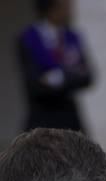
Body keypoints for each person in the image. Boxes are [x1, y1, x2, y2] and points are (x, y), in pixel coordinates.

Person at [17, 0, 93, 132]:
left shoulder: (72, 36)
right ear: (52, 9)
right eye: (66, 7)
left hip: (71, 120)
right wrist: (71, 73)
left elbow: (87, 77)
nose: (70, 12)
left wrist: (56, 76)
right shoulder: (28, 38)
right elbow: (35, 85)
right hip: (42, 120)